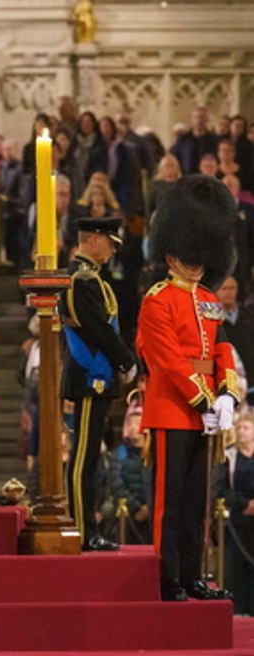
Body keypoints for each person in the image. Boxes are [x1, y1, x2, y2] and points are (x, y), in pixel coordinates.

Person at [137, 174, 238, 602]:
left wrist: (229, 393)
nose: (198, 261)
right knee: (171, 501)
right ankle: (168, 576)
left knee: (199, 501)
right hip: (172, 408)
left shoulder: (208, 300)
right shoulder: (157, 300)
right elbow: (168, 361)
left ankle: (195, 574)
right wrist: (205, 399)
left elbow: (221, 348)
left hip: (207, 410)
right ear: (173, 251)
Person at [58, 218, 139, 551]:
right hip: (91, 375)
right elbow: (98, 330)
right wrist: (126, 360)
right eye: (109, 241)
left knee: (89, 457)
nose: (113, 248)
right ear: (92, 239)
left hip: (98, 376)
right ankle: (81, 529)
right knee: (83, 458)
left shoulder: (92, 280)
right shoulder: (80, 280)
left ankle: (86, 528)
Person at [220, 413, 254, 615]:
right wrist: (244, 504)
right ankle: (239, 608)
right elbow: (222, 488)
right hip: (238, 517)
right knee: (237, 565)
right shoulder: (229, 455)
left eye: (246, 428)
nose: (241, 432)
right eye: (239, 428)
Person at [106, 399, 152, 545]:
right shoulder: (119, 452)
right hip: (128, 514)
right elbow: (116, 482)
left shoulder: (153, 453)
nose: (133, 428)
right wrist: (136, 507)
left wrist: (148, 507)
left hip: (150, 513)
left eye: (137, 423)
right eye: (130, 423)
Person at [171, 106, 218, 175]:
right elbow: (173, 157)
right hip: (187, 179)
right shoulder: (183, 139)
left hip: (207, 179)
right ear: (191, 119)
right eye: (196, 117)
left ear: (207, 120)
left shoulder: (214, 140)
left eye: (202, 117)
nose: (199, 121)